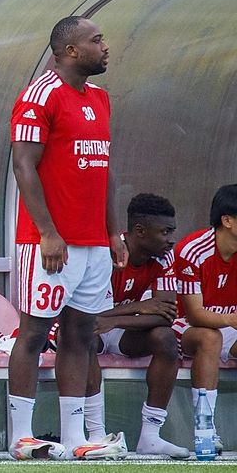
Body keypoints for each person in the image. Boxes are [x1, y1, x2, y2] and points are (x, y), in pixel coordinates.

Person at [7, 15, 128, 461]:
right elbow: (24, 166)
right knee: (35, 332)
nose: (105, 46)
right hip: (49, 243)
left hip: (93, 242)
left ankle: (75, 438)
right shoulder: (39, 96)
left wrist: (111, 230)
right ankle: (22, 438)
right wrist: (48, 232)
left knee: (81, 333)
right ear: (71, 50)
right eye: (97, 40)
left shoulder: (100, 98)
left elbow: (104, 169)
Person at [80, 193, 187, 458]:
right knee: (85, 338)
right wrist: (138, 307)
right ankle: (96, 435)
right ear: (139, 230)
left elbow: (165, 314)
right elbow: (88, 316)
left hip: (117, 327)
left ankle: (151, 436)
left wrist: (115, 319)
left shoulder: (164, 257)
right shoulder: (106, 250)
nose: (171, 239)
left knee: (166, 339)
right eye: (165, 232)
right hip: (81, 328)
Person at [172, 183, 237, 456]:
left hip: (231, 322)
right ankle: (205, 431)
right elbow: (195, 315)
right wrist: (232, 319)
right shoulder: (193, 250)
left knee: (219, 334)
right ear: (228, 221)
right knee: (210, 337)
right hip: (185, 325)